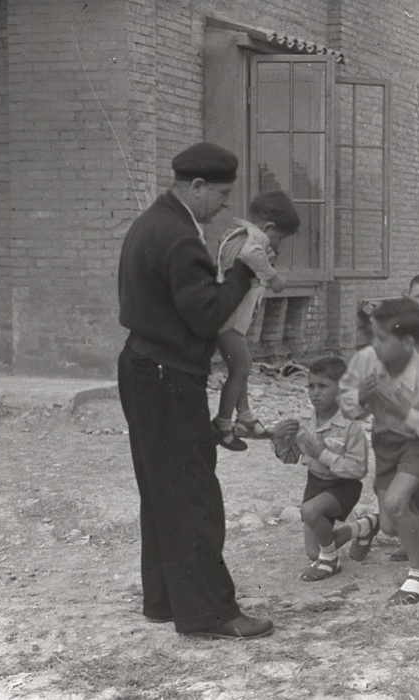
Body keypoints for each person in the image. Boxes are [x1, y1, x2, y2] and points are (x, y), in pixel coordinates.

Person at [117, 141, 273, 640]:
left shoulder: (152, 222)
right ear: (198, 187)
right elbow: (207, 317)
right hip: (165, 376)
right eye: (222, 195)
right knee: (193, 493)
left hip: (143, 365)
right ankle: (209, 612)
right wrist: (246, 271)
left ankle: (165, 599)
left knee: (161, 489)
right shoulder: (182, 238)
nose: (225, 206)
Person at [340, 298, 419, 604]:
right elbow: (347, 407)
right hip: (384, 442)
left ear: (408, 342)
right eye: (373, 335)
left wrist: (408, 412)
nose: (374, 344)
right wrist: (360, 397)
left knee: (396, 502)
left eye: (382, 338)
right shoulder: (366, 360)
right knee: (390, 525)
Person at [269, 357, 377, 581]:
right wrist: (279, 438)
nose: (315, 393)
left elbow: (358, 470)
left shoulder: (351, 426)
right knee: (313, 552)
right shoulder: (306, 422)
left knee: (309, 511)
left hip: (343, 486)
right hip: (315, 484)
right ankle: (364, 527)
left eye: (323, 387)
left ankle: (331, 562)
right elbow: (289, 458)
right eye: (311, 386)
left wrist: (322, 454)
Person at [211, 190, 301, 451]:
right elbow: (252, 255)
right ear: (269, 227)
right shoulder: (255, 238)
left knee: (243, 365)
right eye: (280, 237)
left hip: (230, 319)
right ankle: (223, 424)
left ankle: (246, 417)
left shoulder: (237, 234)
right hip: (228, 322)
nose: (278, 245)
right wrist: (274, 277)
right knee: (240, 368)